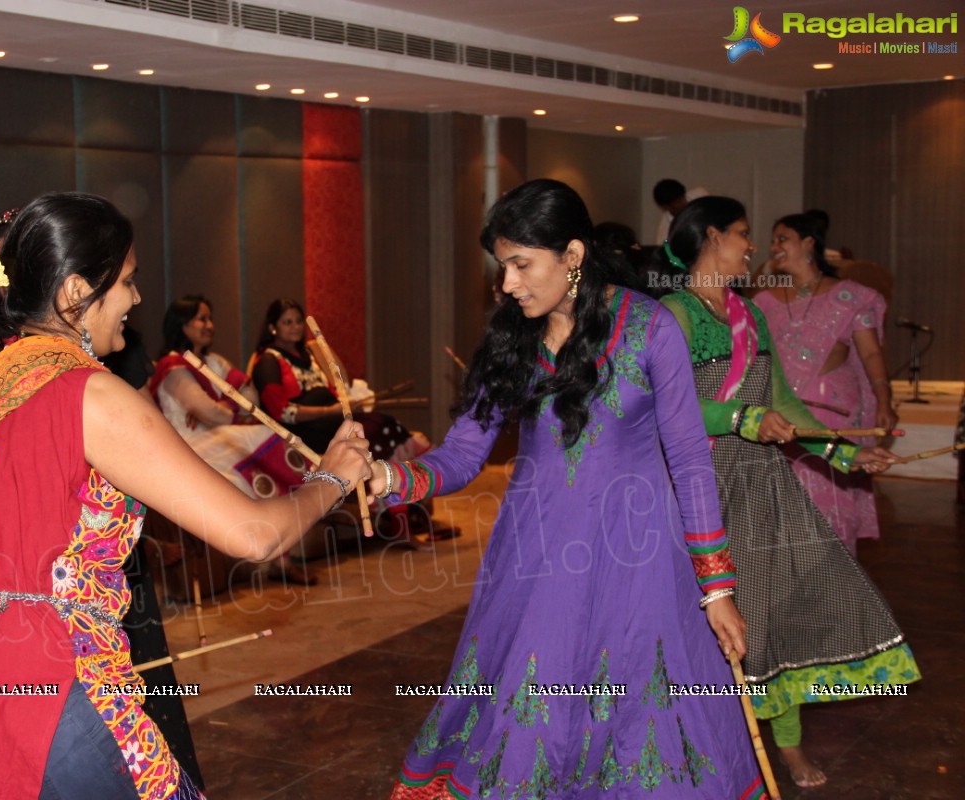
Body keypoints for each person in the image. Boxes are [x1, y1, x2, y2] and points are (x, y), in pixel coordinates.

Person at [0, 192, 371, 799]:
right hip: (46, 675)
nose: (137, 300)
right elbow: (254, 535)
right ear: (73, 292)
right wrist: (334, 478)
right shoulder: (86, 391)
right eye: (129, 282)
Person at [376, 179, 765, 799]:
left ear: (573, 255)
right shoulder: (512, 339)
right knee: (537, 703)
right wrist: (392, 477)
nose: (507, 284)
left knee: (642, 715)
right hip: (537, 556)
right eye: (503, 267)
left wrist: (716, 586)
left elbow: (690, 459)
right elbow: (463, 453)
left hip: (639, 562)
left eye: (521, 264)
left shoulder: (650, 327)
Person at [658, 196, 920, 788]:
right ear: (711, 237)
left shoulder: (749, 316)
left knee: (771, 618)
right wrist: (742, 418)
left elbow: (786, 406)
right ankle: (692, 741)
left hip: (759, 487)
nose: (752, 247)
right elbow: (663, 407)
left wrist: (847, 455)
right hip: (695, 488)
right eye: (743, 234)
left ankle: (789, 744)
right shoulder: (670, 315)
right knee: (690, 626)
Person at [250, 298, 445, 548]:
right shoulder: (268, 361)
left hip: (332, 423)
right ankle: (400, 524)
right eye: (287, 322)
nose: (296, 327)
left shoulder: (309, 353)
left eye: (299, 321)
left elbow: (339, 382)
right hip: (304, 432)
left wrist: (325, 356)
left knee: (383, 426)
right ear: (272, 328)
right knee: (374, 433)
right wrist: (327, 410)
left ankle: (405, 518)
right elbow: (282, 412)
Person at [756, 212, 895, 554]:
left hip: (832, 417)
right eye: (772, 241)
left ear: (809, 243)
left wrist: (884, 399)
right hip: (781, 422)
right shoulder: (763, 302)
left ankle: (832, 594)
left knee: (829, 523)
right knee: (783, 525)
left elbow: (871, 356)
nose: (774, 247)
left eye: (782, 238)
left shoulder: (850, 297)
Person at [149, 295, 313, 584]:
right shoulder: (172, 366)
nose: (209, 324)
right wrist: (224, 408)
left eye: (210, 318)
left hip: (222, 434)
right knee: (259, 435)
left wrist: (220, 407)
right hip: (190, 444)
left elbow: (249, 394)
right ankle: (274, 551)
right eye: (201, 318)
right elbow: (206, 410)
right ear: (182, 325)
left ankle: (282, 555)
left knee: (262, 437)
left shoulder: (213, 362)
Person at [653, 178, 708, 247]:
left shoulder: (701, 196)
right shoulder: (665, 232)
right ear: (666, 207)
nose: (683, 203)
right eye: (677, 202)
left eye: (682, 198)